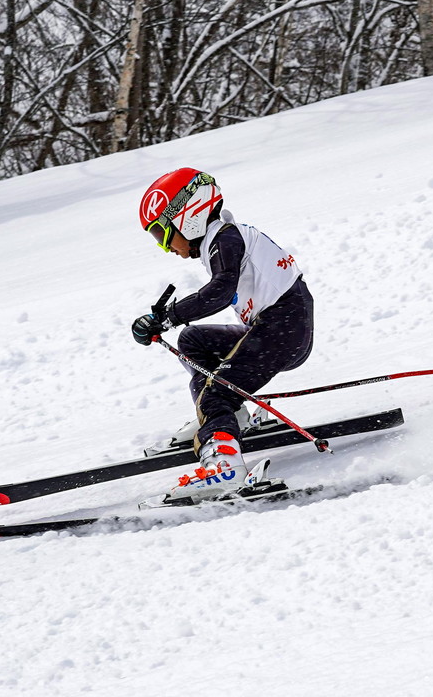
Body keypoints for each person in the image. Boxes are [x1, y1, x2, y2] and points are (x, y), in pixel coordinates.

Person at [131, 168, 314, 503]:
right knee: (193, 342)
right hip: (281, 326)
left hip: (282, 326)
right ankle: (227, 420)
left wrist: (169, 317)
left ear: (186, 216)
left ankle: (224, 464)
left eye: (161, 234)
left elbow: (218, 291)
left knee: (217, 393)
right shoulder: (223, 238)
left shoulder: (225, 238)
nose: (166, 247)